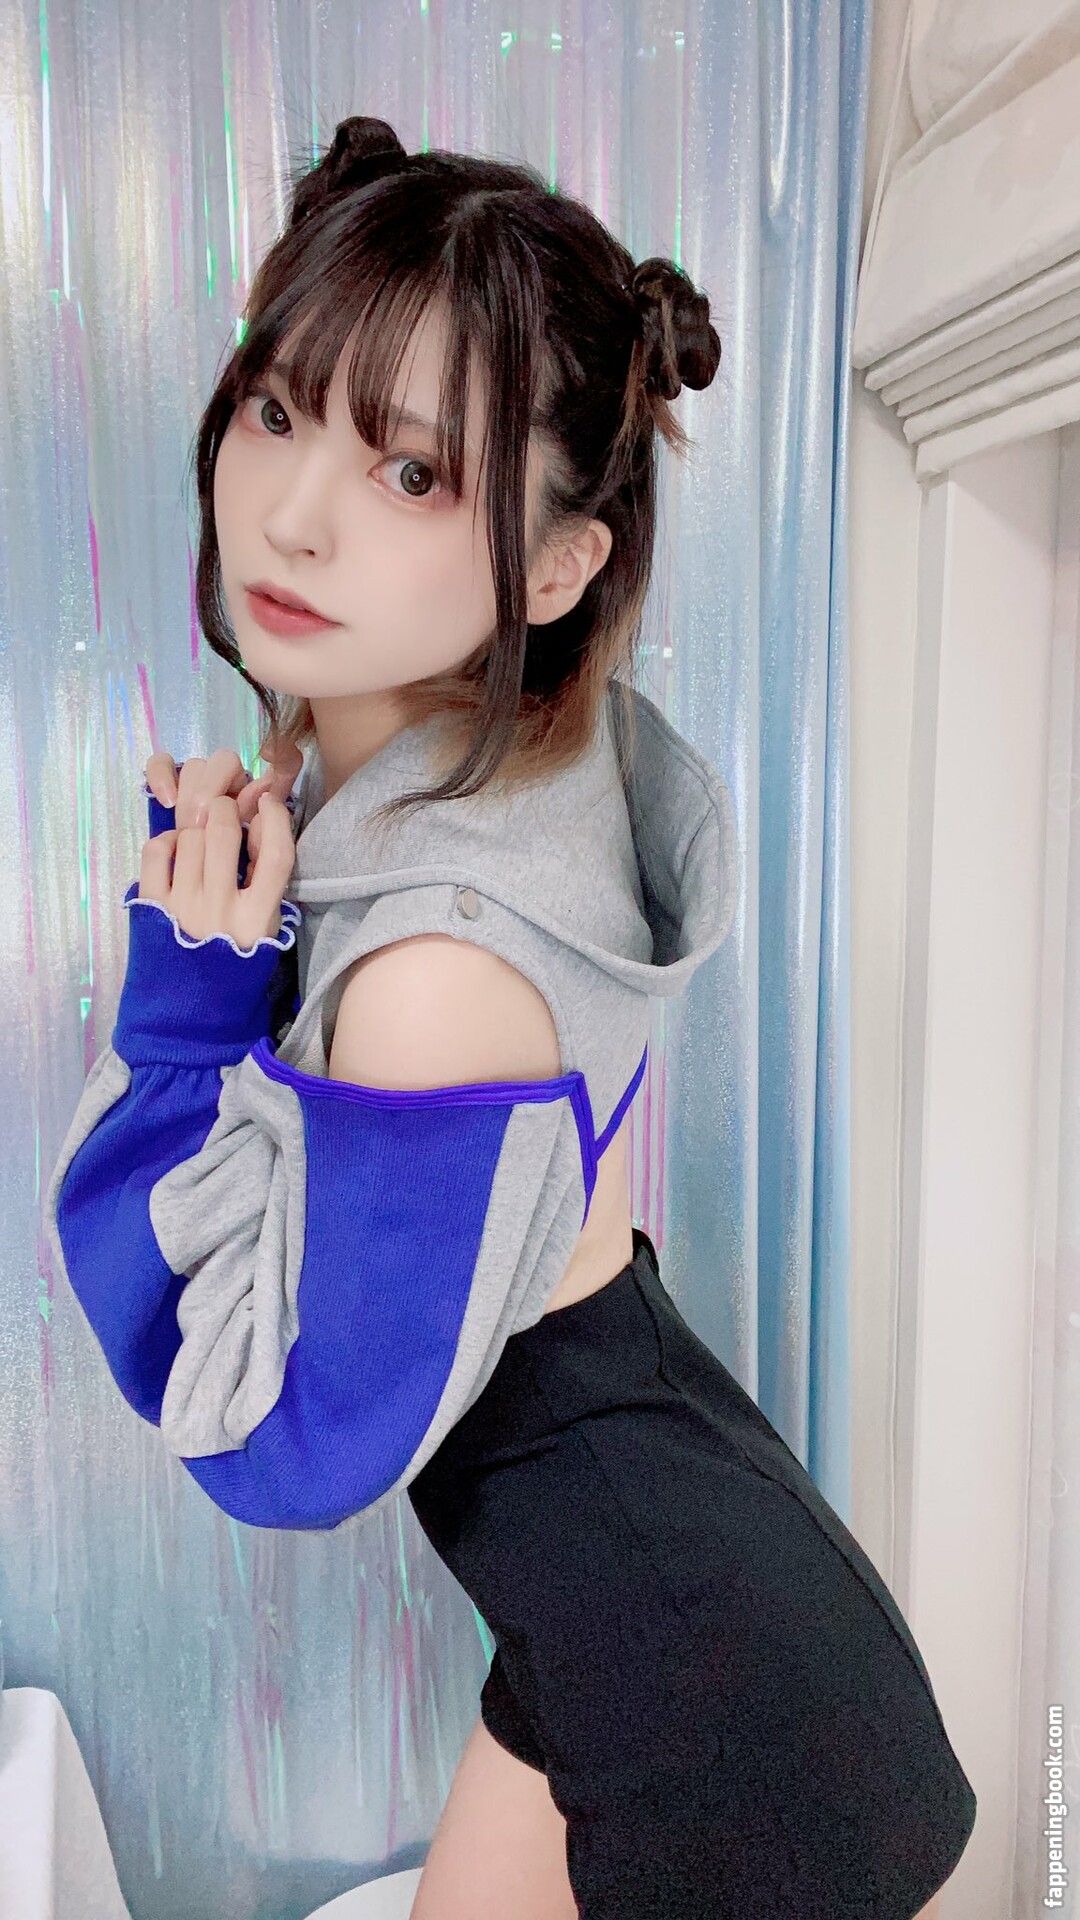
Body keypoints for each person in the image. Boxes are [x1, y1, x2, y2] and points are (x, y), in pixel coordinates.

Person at [46, 115, 976, 1918]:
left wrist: (190, 1015)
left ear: (557, 571)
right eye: (278, 409)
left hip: (720, 1725)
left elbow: (277, 1441)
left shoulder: (434, 978)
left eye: (413, 473)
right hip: (642, 1616)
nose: (293, 513)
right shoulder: (535, 764)